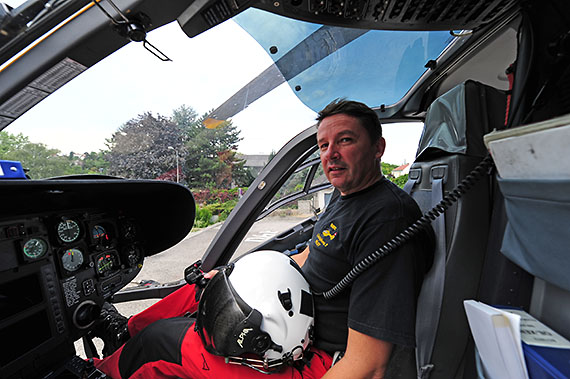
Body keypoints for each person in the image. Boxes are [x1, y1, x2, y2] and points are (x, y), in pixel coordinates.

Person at [92, 99, 433, 378]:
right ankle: (125, 332)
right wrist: (234, 275)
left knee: (162, 343)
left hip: (315, 360)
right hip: (292, 320)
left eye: (345, 140)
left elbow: (369, 364)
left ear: (378, 148)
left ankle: (101, 373)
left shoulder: (387, 222)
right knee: (208, 287)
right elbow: (310, 256)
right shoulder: (348, 200)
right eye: (323, 145)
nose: (330, 154)